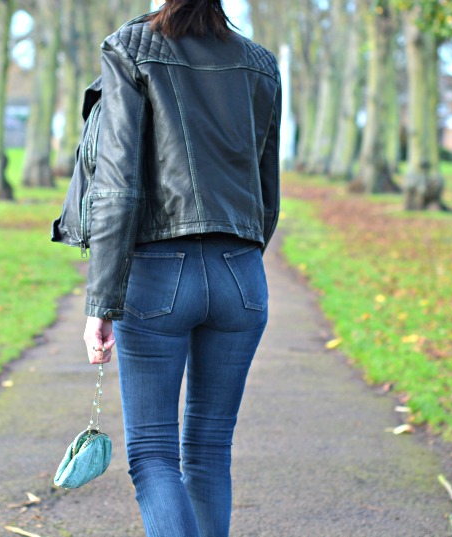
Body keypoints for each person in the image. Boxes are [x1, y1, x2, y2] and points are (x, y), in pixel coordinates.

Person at [82, 1, 281, 535]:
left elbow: (117, 184)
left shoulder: (129, 49)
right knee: (211, 451)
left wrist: (101, 302)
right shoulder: (260, 63)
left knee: (152, 455)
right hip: (241, 270)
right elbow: (268, 193)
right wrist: (240, 262)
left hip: (156, 275)